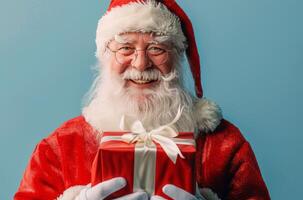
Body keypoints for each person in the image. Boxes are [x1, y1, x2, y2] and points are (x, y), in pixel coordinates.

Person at [14, 0, 270, 199]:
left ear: (177, 57)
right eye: (125, 48)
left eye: (156, 48)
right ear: (105, 56)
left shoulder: (225, 145)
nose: (140, 63)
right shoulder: (60, 147)